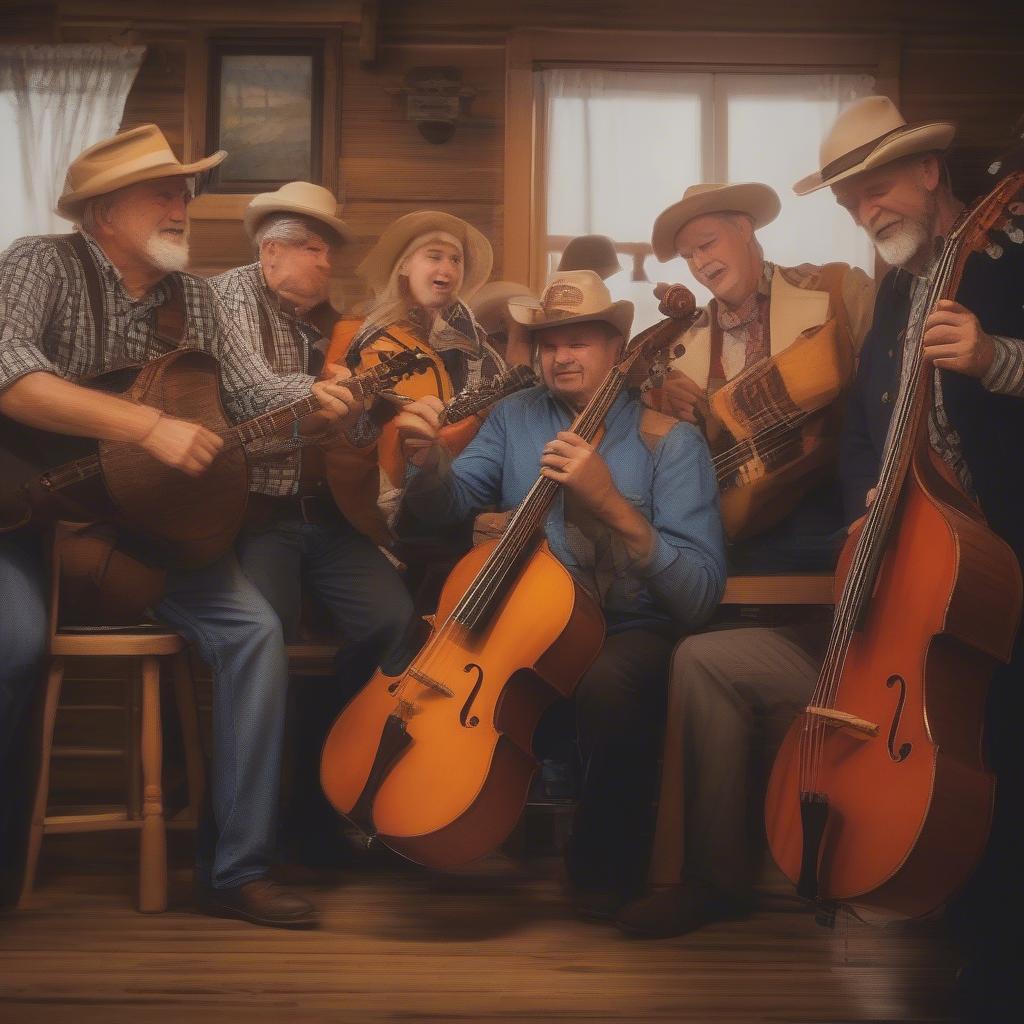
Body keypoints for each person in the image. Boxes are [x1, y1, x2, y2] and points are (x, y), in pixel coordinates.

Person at [0, 125, 360, 927]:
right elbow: (8, 371)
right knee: (12, 642)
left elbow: (252, 395)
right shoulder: (38, 261)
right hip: (23, 516)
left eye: (185, 189)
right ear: (101, 209)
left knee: (255, 632)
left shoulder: (193, 298)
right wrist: (144, 427)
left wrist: (323, 398)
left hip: (137, 529)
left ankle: (237, 872)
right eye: (163, 189)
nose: (182, 203)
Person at [394, 269, 726, 918]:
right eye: (549, 344)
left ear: (618, 350)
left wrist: (614, 507)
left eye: (579, 342)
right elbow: (447, 506)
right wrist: (427, 461)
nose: (561, 356)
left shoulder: (671, 443)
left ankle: (603, 869)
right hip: (525, 626)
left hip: (627, 628)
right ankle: (438, 817)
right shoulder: (515, 418)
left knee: (609, 685)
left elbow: (699, 598)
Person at [799, 95, 1024, 1021]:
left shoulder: (1008, 259)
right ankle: (962, 916)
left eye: (877, 188)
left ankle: (1002, 953)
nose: (866, 211)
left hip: (1005, 543)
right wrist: (868, 513)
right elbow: (868, 420)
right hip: (921, 550)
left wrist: (997, 357)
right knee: (949, 734)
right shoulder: (895, 280)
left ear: (932, 171)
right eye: (850, 200)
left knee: (1001, 740)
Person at [210, 183, 416, 862]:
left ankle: (328, 780)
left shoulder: (334, 325)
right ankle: (256, 833)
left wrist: (368, 408)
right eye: (316, 250)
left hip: (327, 517)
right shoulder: (228, 296)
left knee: (394, 624)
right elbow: (250, 391)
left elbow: (346, 429)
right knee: (260, 648)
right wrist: (322, 396)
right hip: (259, 516)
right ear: (273, 253)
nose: (329, 264)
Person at [644, 181, 874, 569]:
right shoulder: (681, 345)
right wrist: (658, 402)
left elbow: (888, 398)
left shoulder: (838, 290)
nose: (700, 264)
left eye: (707, 244)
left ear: (744, 228)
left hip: (834, 515)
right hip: (731, 536)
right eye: (688, 256)